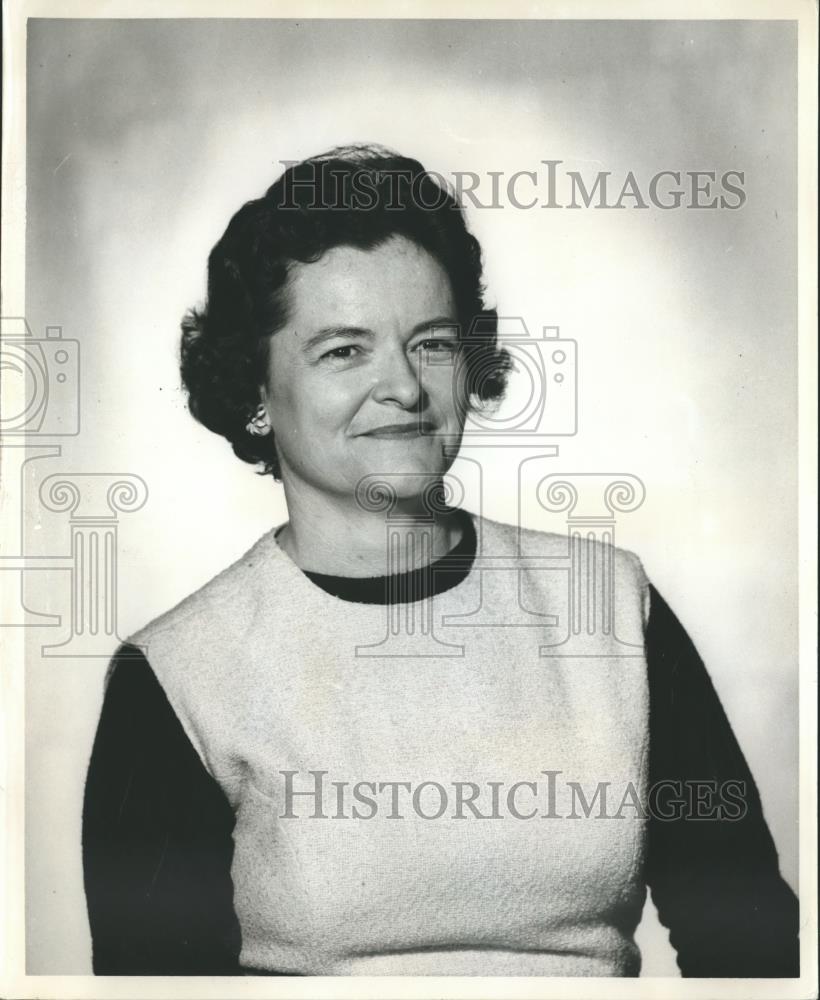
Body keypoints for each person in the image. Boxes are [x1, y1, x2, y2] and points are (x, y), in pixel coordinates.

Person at [82, 145, 799, 977]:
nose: (406, 389)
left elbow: (749, 950)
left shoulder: (611, 608)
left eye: (430, 343)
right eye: (343, 351)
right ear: (252, 389)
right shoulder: (178, 677)